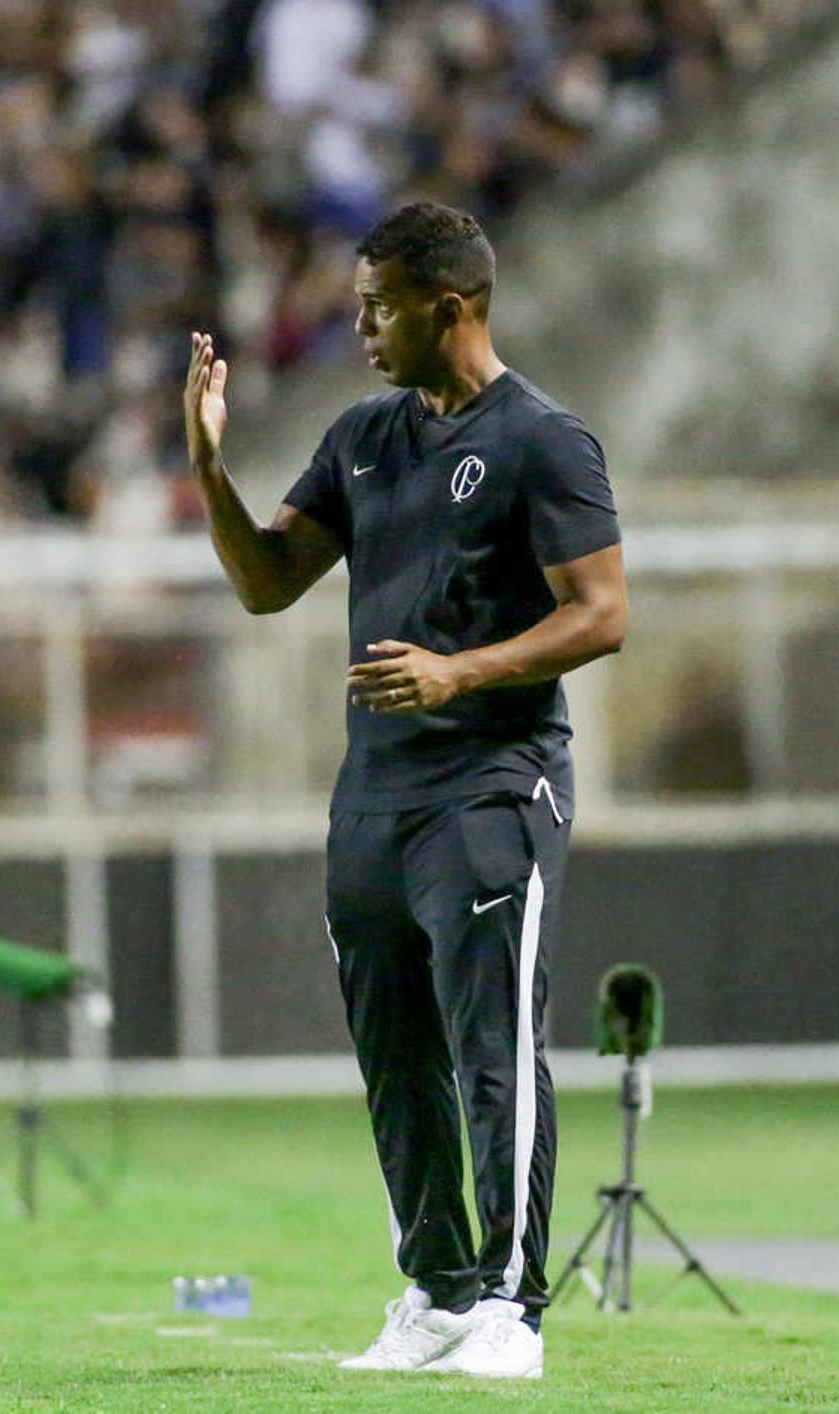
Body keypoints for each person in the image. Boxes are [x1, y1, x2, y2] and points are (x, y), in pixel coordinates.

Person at [182, 202, 627, 1379]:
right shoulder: (364, 434)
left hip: (493, 783)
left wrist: (458, 672)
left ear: (451, 305)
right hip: (374, 792)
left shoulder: (545, 439)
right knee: (395, 1053)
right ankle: (437, 1289)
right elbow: (270, 581)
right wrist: (209, 470)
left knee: (495, 1048)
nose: (361, 324)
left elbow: (602, 611)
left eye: (378, 304)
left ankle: (514, 1313)